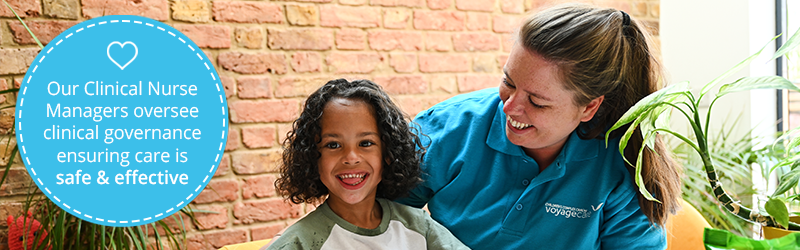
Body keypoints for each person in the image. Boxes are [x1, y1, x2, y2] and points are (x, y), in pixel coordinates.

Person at [396, 4, 682, 249]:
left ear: (589, 107)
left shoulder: (623, 165)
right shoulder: (447, 129)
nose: (508, 107)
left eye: (537, 101)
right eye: (509, 82)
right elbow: (372, 221)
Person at [268, 79, 470, 250]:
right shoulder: (299, 243)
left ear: (388, 154)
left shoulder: (418, 226)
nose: (351, 157)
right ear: (313, 157)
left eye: (365, 143)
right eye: (333, 145)